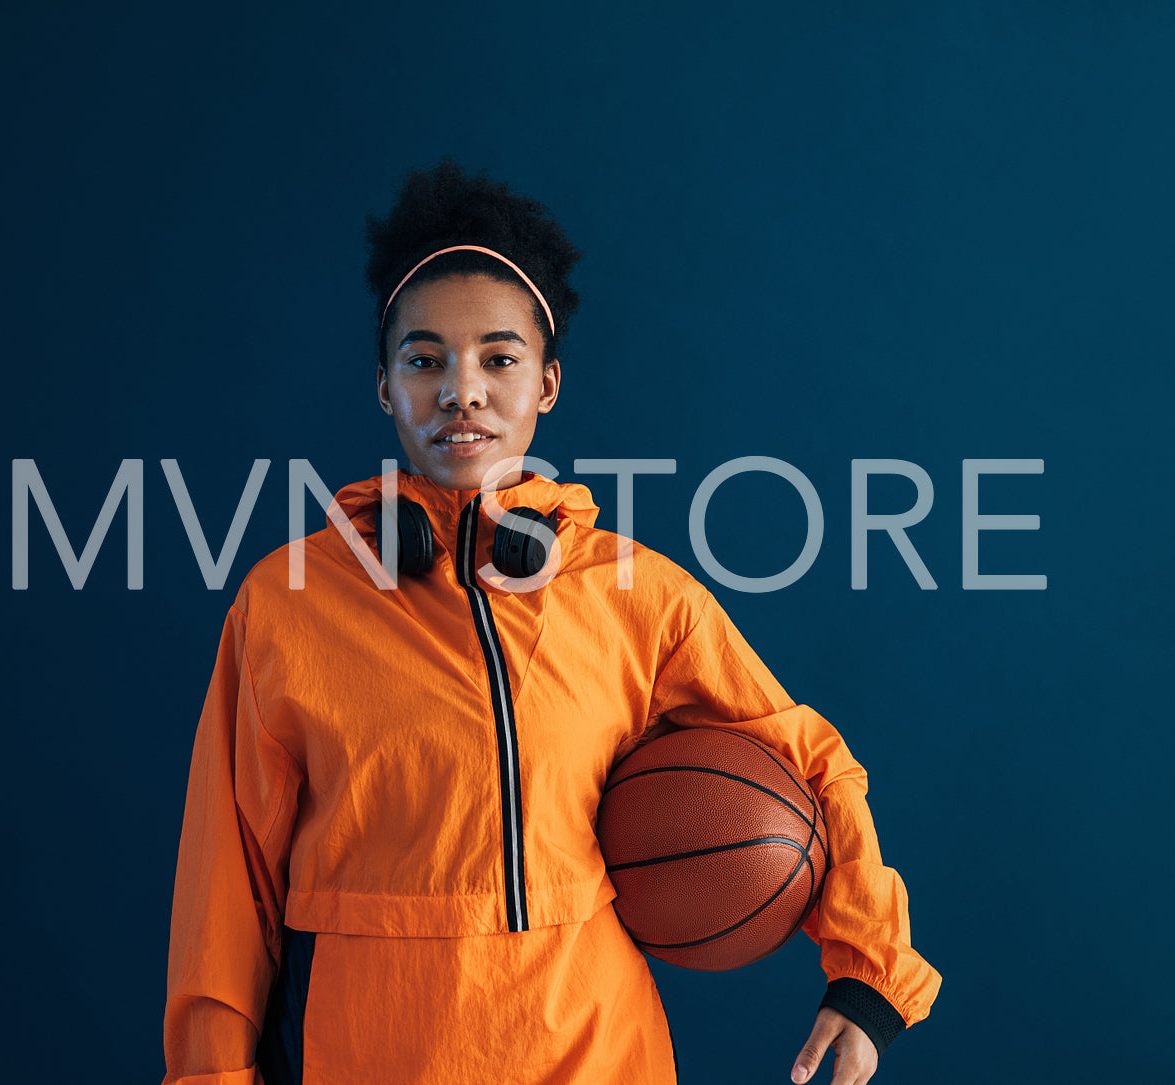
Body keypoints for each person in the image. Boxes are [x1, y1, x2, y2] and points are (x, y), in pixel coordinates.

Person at [161, 158, 940, 1085]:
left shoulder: (637, 594)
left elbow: (809, 759)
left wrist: (868, 974)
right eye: (423, 360)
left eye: (499, 357)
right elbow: (228, 876)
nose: (462, 391)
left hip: (595, 1052)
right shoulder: (288, 601)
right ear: (383, 387)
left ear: (548, 382)